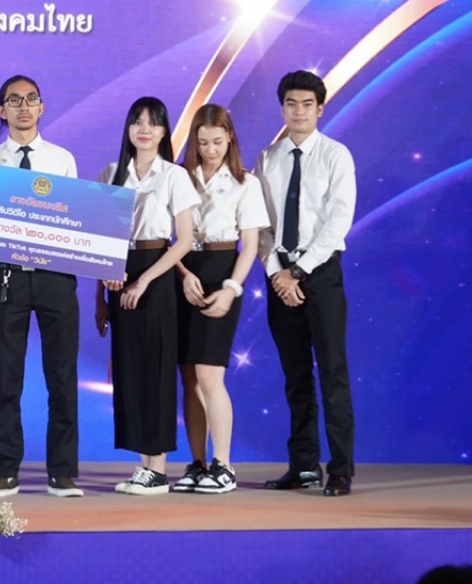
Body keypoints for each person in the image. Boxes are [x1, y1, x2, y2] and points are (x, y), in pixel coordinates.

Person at [0, 75, 85, 499]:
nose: (24, 107)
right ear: (1, 109)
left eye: (31, 99)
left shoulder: (62, 159)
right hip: (8, 278)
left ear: (41, 107)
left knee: (61, 377)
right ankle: (4, 471)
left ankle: (62, 472)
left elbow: (76, 221)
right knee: (5, 378)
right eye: (14, 100)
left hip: (56, 279)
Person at [256, 70, 357, 497]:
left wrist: (298, 273)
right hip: (280, 276)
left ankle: (341, 469)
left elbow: (338, 221)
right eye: (291, 104)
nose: (298, 112)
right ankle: (303, 465)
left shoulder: (336, 156)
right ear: (282, 108)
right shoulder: (267, 158)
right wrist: (277, 273)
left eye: (307, 104)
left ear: (320, 109)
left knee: (332, 371)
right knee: (295, 376)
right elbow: (260, 224)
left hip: (321, 274)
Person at [95, 97, 198, 495]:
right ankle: (143, 465)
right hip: (117, 272)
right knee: (129, 369)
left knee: (156, 368)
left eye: (152, 123)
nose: (144, 129)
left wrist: (145, 281)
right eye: (137, 121)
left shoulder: (174, 175)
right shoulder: (111, 173)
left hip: (156, 270)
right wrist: (103, 286)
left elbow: (183, 240)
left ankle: (159, 467)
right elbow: (98, 235)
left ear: (163, 131)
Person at [170, 103, 266, 494]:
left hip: (223, 269)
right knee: (188, 376)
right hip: (184, 270)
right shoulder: (179, 178)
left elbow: (250, 245)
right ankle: (197, 463)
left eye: (217, 142)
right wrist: (183, 274)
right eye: (203, 142)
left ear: (230, 139)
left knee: (210, 374)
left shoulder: (247, 182)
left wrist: (231, 288)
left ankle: (224, 465)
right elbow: (167, 236)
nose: (210, 150)